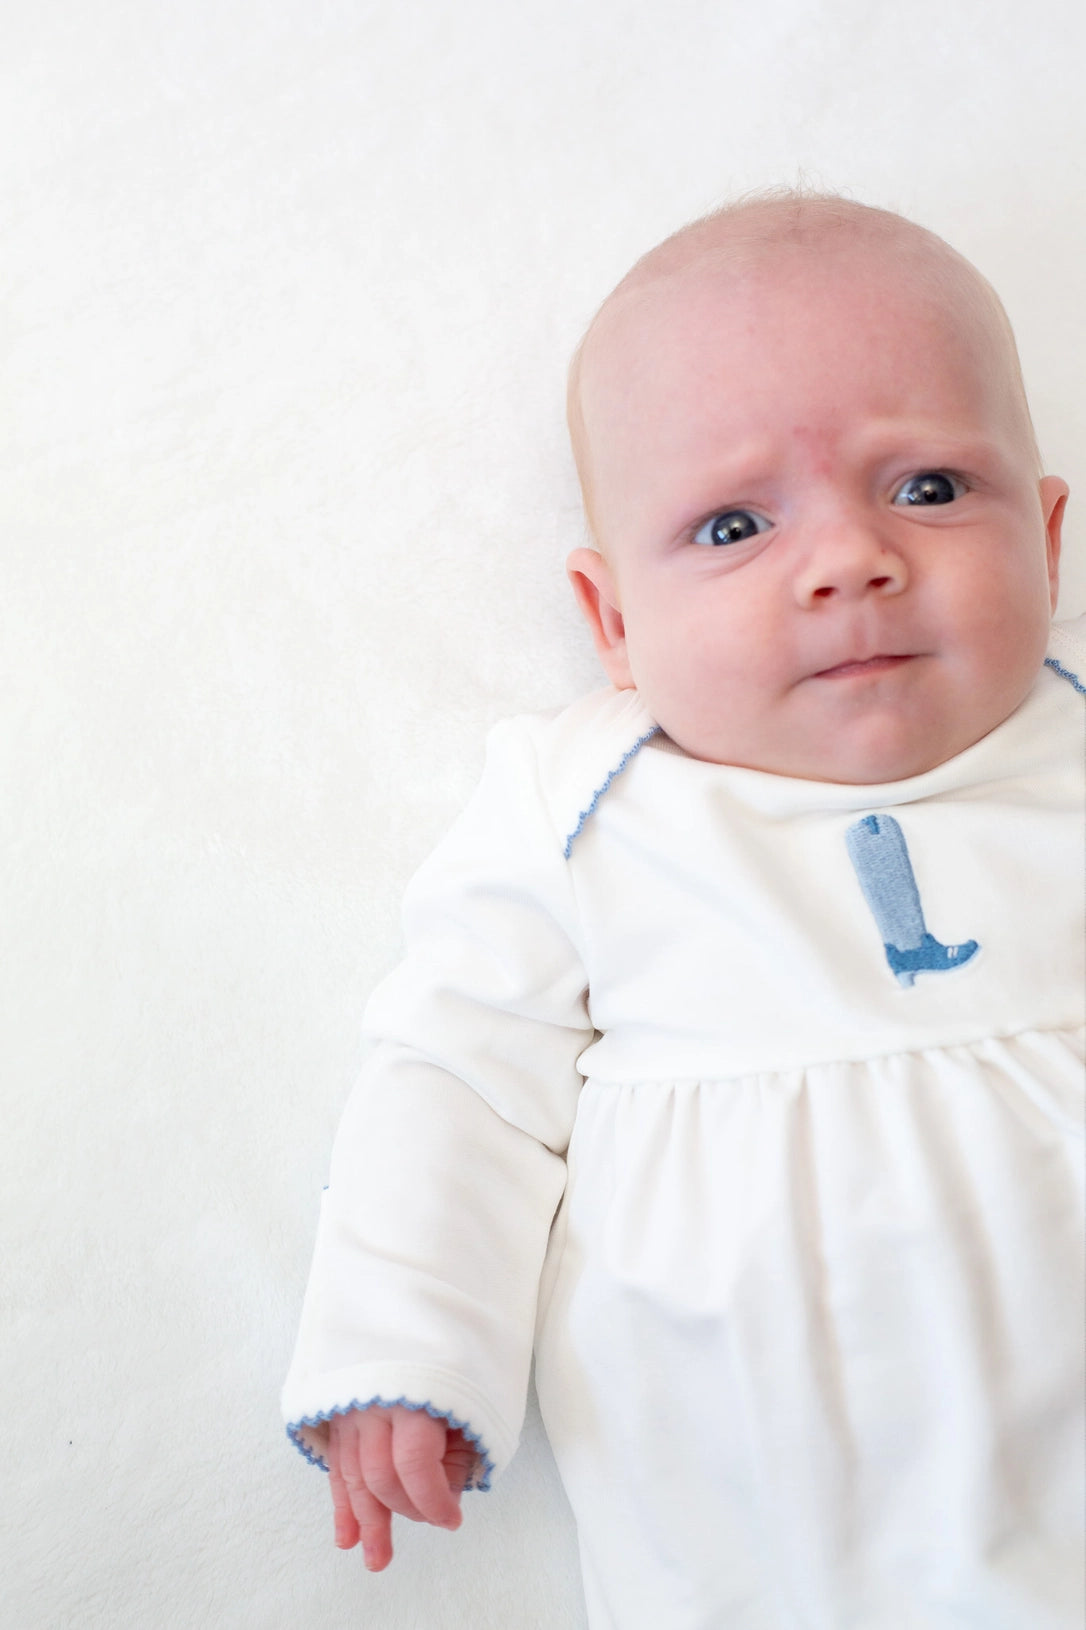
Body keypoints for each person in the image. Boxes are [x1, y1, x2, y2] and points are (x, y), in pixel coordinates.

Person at [282, 192, 1085, 1628]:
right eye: (731, 523)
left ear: (1047, 532)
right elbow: (456, 1079)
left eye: (926, 489)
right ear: (612, 623)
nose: (847, 558)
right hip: (754, 1481)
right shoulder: (582, 798)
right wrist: (403, 1343)